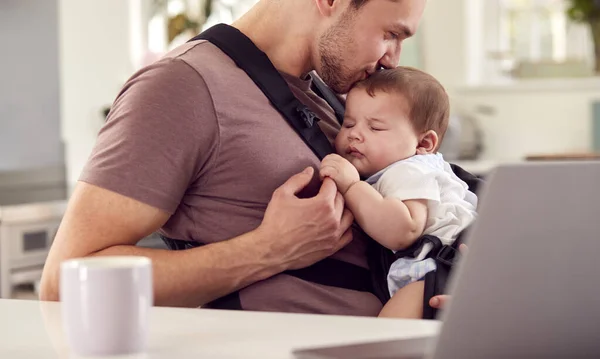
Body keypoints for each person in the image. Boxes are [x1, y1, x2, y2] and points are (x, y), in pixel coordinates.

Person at [40, 0, 454, 315]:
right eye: (391, 34)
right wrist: (267, 250)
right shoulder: (180, 86)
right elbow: (63, 282)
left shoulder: (333, 96)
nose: (392, 59)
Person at [319, 67, 477, 319]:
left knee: (388, 331)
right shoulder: (408, 166)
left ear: (423, 144)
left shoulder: (408, 171)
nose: (354, 134)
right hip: (446, 265)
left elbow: (403, 230)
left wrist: (351, 187)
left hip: (441, 268)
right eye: (348, 123)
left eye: (376, 128)